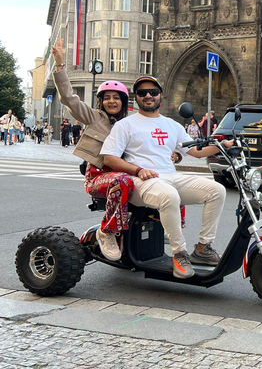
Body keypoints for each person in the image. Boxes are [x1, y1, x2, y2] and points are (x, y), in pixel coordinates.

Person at [101, 76, 233, 279]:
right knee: (169, 195)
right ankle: (179, 253)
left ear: (161, 95)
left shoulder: (172, 125)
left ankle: (202, 249)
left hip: (169, 177)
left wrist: (222, 146)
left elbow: (196, 151)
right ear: (136, 98)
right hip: (141, 182)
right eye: (142, 92)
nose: (148, 96)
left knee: (217, 190)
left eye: (153, 92)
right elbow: (109, 158)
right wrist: (137, 170)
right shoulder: (125, 125)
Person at [50, 38, 144, 261]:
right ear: (101, 102)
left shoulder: (131, 124)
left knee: (167, 182)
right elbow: (69, 99)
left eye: (116, 98)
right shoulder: (94, 117)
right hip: (99, 177)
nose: (112, 101)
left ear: (124, 101)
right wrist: (60, 65)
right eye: (107, 98)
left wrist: (175, 153)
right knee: (121, 180)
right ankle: (107, 232)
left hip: (125, 174)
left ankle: (166, 231)